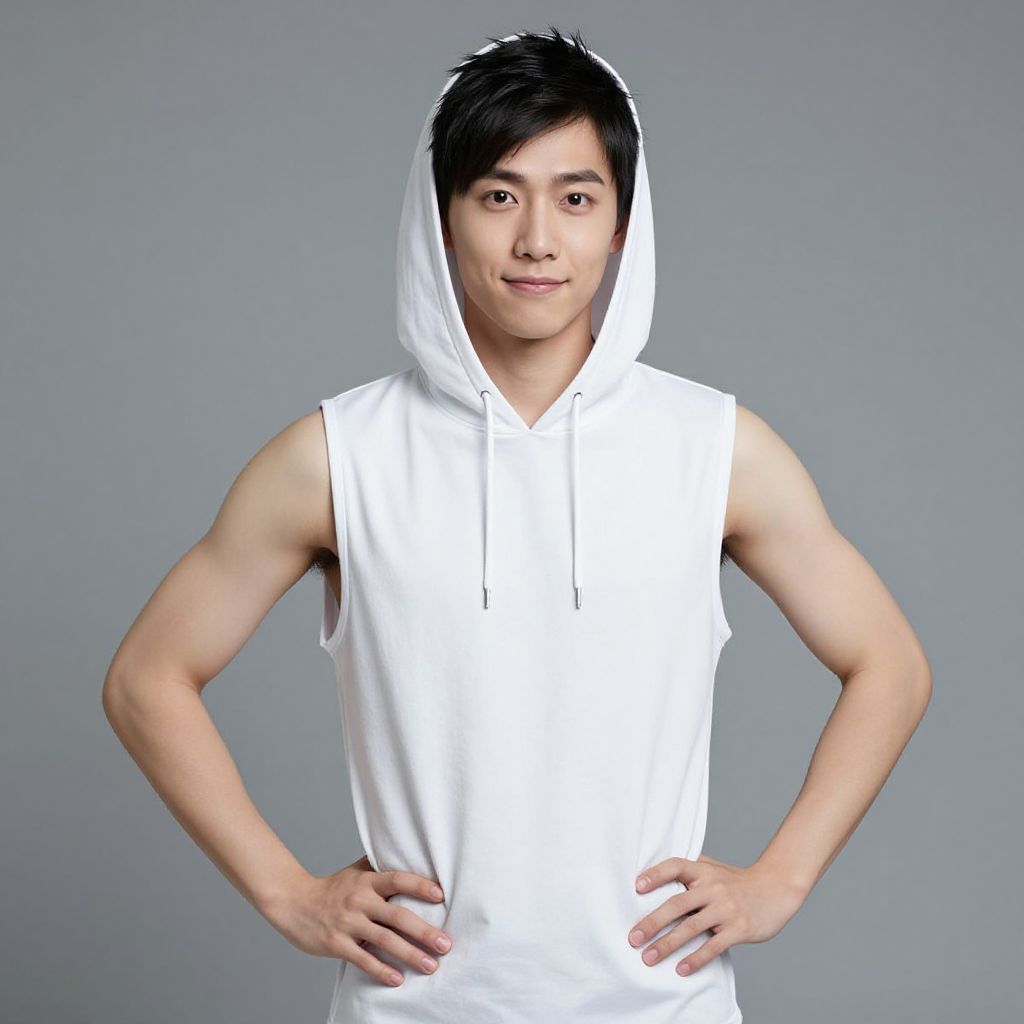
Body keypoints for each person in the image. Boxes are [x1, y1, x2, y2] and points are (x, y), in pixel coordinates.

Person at [102, 28, 932, 1023]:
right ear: (443, 218)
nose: (537, 239)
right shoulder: (334, 456)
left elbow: (890, 664)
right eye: (499, 196)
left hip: (659, 1006)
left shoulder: (718, 448)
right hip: (414, 1006)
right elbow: (145, 679)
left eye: (576, 199)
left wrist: (780, 879)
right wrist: (287, 892)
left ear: (620, 224)